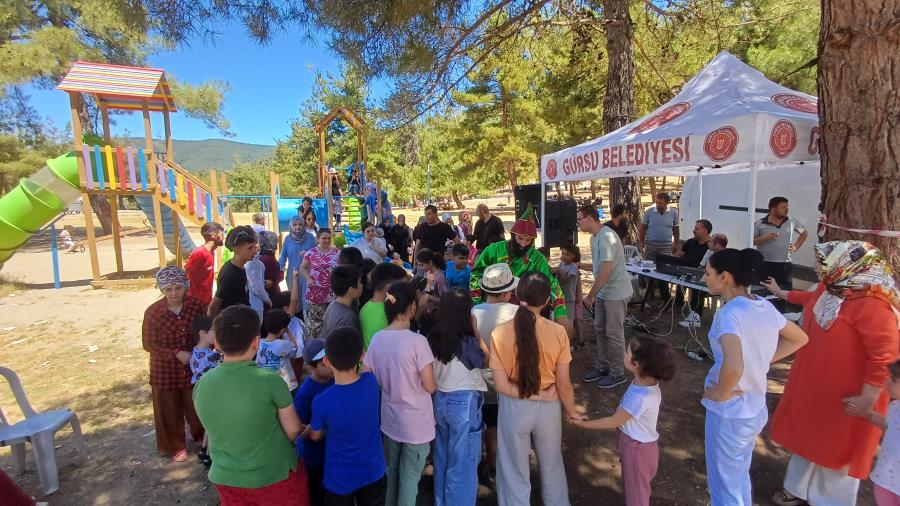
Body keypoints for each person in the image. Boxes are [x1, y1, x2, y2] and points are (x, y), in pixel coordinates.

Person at [763, 241, 900, 506]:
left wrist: (868, 398)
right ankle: (797, 488)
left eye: (822, 262)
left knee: (838, 449)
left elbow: (885, 357)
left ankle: (830, 501)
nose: (816, 266)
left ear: (845, 265)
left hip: (850, 394)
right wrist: (780, 293)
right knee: (808, 437)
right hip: (817, 384)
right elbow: (809, 299)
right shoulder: (833, 288)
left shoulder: (873, 305)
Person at [700, 248, 808, 505]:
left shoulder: (728, 315)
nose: (703, 278)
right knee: (737, 478)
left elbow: (734, 367)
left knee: (724, 487)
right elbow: (800, 338)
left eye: (708, 273)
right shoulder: (763, 306)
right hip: (754, 408)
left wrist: (718, 393)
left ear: (725, 277)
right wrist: (762, 360)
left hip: (730, 412)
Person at [192, 305, 307, 505]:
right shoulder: (271, 381)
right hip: (273, 475)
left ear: (217, 342)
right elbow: (293, 430)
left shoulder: (202, 384)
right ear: (256, 341)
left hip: (226, 478)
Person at [490, 271, 585, 505]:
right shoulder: (558, 332)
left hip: (514, 405)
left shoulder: (499, 333)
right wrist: (571, 410)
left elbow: (500, 385)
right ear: (546, 301)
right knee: (552, 463)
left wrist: (534, 395)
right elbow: (564, 383)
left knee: (513, 466)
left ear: (517, 294)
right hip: (549, 405)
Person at [569, 337, 677, 506]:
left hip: (636, 452)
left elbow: (613, 421)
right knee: (636, 490)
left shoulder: (640, 397)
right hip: (640, 448)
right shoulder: (647, 384)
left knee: (637, 498)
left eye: (627, 352)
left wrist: (583, 424)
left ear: (636, 364)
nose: (624, 354)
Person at [364, 282, 437, 506]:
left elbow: (368, 375)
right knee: (410, 477)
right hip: (416, 422)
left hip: (391, 419)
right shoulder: (418, 342)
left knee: (393, 471)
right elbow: (430, 386)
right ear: (412, 307)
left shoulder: (377, 339)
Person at [308, 326, 386, 504]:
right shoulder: (370, 383)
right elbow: (365, 369)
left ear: (326, 361)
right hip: (373, 472)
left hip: (339, 479)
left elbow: (315, 435)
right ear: (361, 356)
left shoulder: (322, 401)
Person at [427, 288, 488, 506]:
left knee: (441, 458)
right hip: (463, 404)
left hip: (439, 401)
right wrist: (476, 331)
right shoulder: (467, 342)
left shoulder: (433, 336)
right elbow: (486, 360)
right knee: (462, 464)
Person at [142, 266, 206, 463]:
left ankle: (201, 436)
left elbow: (206, 330)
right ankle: (175, 445)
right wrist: (175, 353)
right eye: (168, 289)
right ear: (162, 290)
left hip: (193, 364)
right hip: (165, 369)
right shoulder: (153, 312)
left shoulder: (197, 306)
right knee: (168, 408)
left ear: (185, 286)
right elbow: (148, 344)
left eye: (178, 287)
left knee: (196, 403)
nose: (174, 293)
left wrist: (198, 349)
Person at [470, 209, 570, 330]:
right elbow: (476, 274)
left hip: (522, 312)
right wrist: (478, 303)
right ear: (513, 235)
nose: (523, 244)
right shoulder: (493, 250)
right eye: (520, 238)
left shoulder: (537, 258)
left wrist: (561, 313)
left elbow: (552, 284)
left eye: (528, 240)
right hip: (491, 307)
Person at [471, 263, 520, 489]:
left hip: (480, 376)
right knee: (501, 425)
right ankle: (497, 467)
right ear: (506, 292)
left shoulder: (475, 311)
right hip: (508, 377)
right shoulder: (517, 313)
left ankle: (484, 463)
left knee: (485, 422)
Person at [577, 204, 634, 389]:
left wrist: (590, 296)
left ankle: (617, 373)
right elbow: (598, 268)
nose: (578, 223)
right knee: (600, 329)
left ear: (590, 218)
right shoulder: (594, 238)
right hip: (604, 292)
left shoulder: (607, 237)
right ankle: (603, 366)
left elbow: (605, 271)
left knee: (614, 333)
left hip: (616, 293)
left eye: (579, 219)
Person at [292, 338, 334, 506]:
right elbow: (297, 427)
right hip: (314, 457)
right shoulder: (305, 393)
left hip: (331, 453)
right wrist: (318, 432)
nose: (329, 365)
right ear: (310, 368)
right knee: (317, 495)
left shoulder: (334, 380)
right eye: (323, 363)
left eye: (330, 359)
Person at [753, 196, 808, 310]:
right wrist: (765, 238)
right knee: (764, 294)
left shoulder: (791, 221)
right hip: (765, 264)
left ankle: (781, 315)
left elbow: (804, 233)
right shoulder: (760, 224)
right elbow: (751, 241)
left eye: (787, 207)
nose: (787, 209)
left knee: (783, 295)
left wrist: (796, 246)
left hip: (784, 265)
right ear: (773, 209)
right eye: (783, 207)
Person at [865, 360, 900, 506]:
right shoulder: (895, 406)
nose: (886, 382)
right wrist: (868, 414)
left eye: (893, 380)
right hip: (885, 480)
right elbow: (888, 425)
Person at [680, 232, 728, 329]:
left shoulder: (728, 256)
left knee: (700, 289)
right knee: (696, 287)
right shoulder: (709, 252)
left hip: (723, 285)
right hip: (708, 281)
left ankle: (724, 322)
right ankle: (695, 317)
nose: (708, 243)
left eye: (710, 241)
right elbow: (701, 266)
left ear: (717, 244)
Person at [208, 225, 258, 317]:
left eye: (255, 247)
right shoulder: (230, 275)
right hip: (232, 322)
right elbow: (213, 307)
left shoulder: (240, 267)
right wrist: (213, 324)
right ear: (236, 249)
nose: (254, 251)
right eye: (250, 248)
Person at [190, 315, 219, 468]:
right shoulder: (212, 356)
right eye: (214, 330)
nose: (217, 334)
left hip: (200, 394)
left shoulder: (195, 351)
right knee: (215, 425)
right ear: (202, 333)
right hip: (212, 394)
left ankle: (203, 450)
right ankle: (209, 456)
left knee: (209, 425)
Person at [639, 192, 680, 301]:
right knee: (649, 269)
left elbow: (676, 229)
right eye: (656, 202)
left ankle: (664, 295)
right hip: (651, 245)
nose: (657, 205)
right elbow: (643, 228)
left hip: (666, 246)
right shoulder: (649, 212)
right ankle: (650, 293)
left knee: (664, 270)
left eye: (660, 203)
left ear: (667, 203)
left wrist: (676, 242)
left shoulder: (673, 213)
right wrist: (641, 242)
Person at [301, 228, 340, 339]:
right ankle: (316, 346)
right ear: (318, 239)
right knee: (316, 325)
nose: (327, 241)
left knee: (332, 321)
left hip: (332, 293)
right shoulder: (311, 253)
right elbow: (303, 268)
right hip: (315, 292)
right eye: (324, 238)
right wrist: (308, 279)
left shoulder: (337, 252)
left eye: (329, 238)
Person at [359, 262, 408, 348]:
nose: (405, 290)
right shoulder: (389, 313)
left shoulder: (365, 307)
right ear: (389, 287)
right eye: (402, 286)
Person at [674, 219, 712, 328]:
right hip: (684, 271)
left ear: (705, 230)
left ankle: (695, 318)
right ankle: (678, 306)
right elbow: (680, 254)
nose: (694, 230)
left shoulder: (711, 246)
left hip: (701, 275)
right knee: (677, 281)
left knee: (697, 289)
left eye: (697, 228)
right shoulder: (690, 242)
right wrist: (670, 258)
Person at [257, 309, 300, 394]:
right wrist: (288, 332)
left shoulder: (259, 343)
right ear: (283, 330)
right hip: (285, 385)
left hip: (265, 384)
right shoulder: (283, 344)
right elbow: (294, 350)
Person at [185, 221, 224, 307]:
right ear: (214, 236)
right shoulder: (199, 254)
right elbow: (184, 273)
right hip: (196, 303)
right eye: (222, 234)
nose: (223, 237)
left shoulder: (211, 252)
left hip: (206, 301)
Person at [280, 216, 317, 306]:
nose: (297, 227)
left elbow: (316, 254)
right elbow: (283, 256)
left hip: (308, 274)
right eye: (295, 225)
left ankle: (306, 314)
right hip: (293, 274)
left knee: (307, 300)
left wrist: (308, 254)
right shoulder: (287, 239)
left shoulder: (311, 238)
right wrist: (280, 270)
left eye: (300, 224)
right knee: (294, 300)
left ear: (303, 225)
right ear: (291, 226)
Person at [323, 265, 363, 336]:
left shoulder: (332, 305)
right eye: (359, 283)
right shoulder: (348, 318)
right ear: (351, 290)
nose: (362, 285)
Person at [556, 242, 584, 348]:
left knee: (569, 321)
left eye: (567, 254)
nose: (563, 256)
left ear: (573, 256)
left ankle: (569, 344)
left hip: (569, 299)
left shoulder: (574, 267)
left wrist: (559, 272)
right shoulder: (562, 264)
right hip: (561, 296)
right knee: (560, 319)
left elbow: (565, 279)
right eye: (563, 253)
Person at [246, 250, 272, 322]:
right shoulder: (250, 264)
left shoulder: (258, 263)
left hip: (258, 302)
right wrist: (268, 300)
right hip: (253, 303)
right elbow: (256, 287)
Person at [258, 231, 283, 301]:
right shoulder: (267, 258)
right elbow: (277, 276)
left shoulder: (262, 255)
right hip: (271, 294)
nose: (276, 243)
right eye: (274, 241)